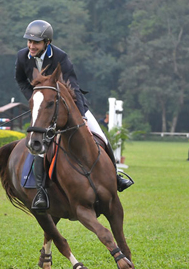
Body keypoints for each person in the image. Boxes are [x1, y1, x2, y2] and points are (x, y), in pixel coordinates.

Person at [15, 20, 133, 211]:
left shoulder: (61, 57)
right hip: (46, 109)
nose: (30, 45)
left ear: (47, 42)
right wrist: (36, 101)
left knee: (100, 136)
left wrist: (82, 116)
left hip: (73, 107)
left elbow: (74, 88)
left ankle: (116, 177)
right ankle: (41, 192)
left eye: (35, 42)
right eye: (29, 41)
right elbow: (20, 79)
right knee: (38, 144)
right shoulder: (22, 56)